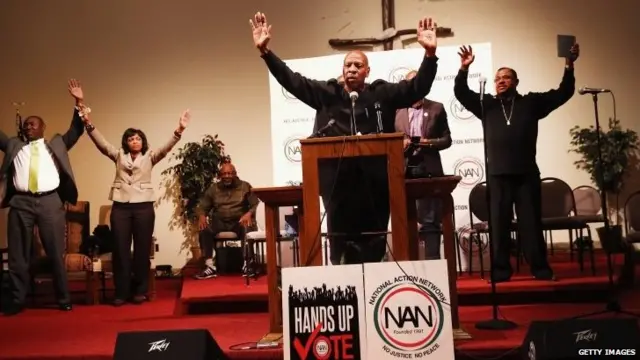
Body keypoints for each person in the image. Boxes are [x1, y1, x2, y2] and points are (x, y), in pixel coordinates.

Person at [250, 12, 439, 264]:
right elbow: (291, 80)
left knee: (374, 244)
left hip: (376, 185)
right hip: (337, 186)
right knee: (340, 246)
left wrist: (429, 55)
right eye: (348, 65)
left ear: (367, 71)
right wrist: (266, 53)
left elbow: (418, 88)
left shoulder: (382, 93)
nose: (351, 69)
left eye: (357, 65)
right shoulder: (327, 94)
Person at [453, 44, 579, 282]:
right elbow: (461, 93)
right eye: (497, 78)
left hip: (526, 174)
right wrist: (463, 69)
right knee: (499, 226)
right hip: (497, 175)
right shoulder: (486, 105)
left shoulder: (531, 103)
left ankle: (540, 269)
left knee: (530, 225)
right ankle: (500, 272)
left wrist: (569, 64)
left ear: (516, 81)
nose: (501, 81)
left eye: (506, 77)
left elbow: (563, 92)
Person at [80, 92, 190, 305]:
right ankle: (121, 292)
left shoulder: (150, 156)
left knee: (141, 249)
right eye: (131, 139)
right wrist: (88, 122)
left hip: (143, 207)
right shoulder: (118, 155)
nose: (135, 141)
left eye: (138, 138)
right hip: (121, 207)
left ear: (143, 142)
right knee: (120, 250)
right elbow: (101, 143)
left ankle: (140, 290)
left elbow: (167, 148)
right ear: (126, 142)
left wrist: (179, 130)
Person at [1, 79, 85, 316]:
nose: (28, 127)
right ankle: (17, 299)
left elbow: (76, 130)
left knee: (55, 252)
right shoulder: (14, 145)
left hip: (50, 202)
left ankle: (63, 298)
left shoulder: (56, 144)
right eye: (26, 124)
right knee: (17, 254)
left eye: (33, 124)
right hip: (21, 202)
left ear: (43, 127)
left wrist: (79, 101)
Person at [395, 70, 452, 260]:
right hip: (402, 171)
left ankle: (433, 266)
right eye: (411, 83)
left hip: (428, 169)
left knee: (430, 222)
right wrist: (399, 144)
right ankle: (407, 267)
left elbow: (446, 140)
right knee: (403, 222)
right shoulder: (395, 109)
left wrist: (427, 142)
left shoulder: (437, 108)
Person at [195, 162, 260, 279]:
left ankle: (247, 264)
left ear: (235, 174)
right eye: (224, 173)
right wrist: (201, 215)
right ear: (220, 175)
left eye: (230, 173)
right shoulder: (213, 189)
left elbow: (254, 203)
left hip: (239, 221)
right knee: (204, 228)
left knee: (247, 227)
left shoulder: (245, 186)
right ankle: (210, 266)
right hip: (219, 221)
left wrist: (249, 214)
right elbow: (202, 206)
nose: (227, 176)